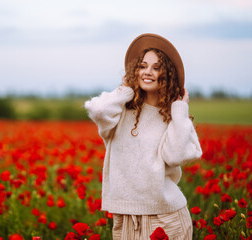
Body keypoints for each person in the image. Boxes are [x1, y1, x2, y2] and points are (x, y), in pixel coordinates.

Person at [84, 33, 203, 240]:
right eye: (142, 66)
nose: (148, 72)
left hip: (165, 218)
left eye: (157, 68)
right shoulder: (119, 113)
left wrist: (180, 109)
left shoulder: (173, 118)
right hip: (126, 217)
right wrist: (126, 91)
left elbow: (177, 156)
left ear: (167, 75)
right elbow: (99, 110)